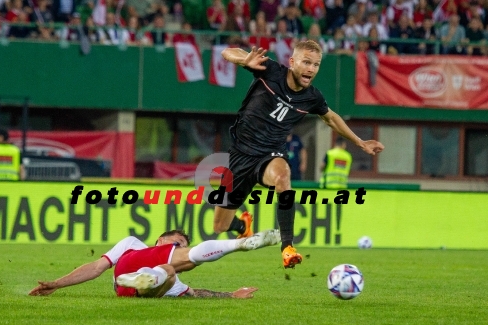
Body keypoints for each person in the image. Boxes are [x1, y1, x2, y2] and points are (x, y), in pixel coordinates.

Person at [213, 40, 384, 269]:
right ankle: (242, 226)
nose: (311, 68)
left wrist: (360, 142)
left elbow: (331, 117)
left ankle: (287, 247)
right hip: (240, 156)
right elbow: (226, 51)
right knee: (220, 225)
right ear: (292, 62)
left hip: (270, 154)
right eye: (306, 62)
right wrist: (244, 59)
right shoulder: (271, 71)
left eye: (316, 64)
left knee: (283, 177)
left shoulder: (312, 97)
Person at [29, 229, 280, 298]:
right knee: (176, 264)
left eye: (182, 245)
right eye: (176, 242)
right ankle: (239, 244)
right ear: (161, 240)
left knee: (171, 272)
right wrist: (57, 284)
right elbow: (97, 267)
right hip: (128, 269)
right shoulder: (132, 244)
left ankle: (149, 278)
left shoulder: (176, 270)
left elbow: (195, 293)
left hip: (143, 290)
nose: (178, 246)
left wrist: (231, 296)